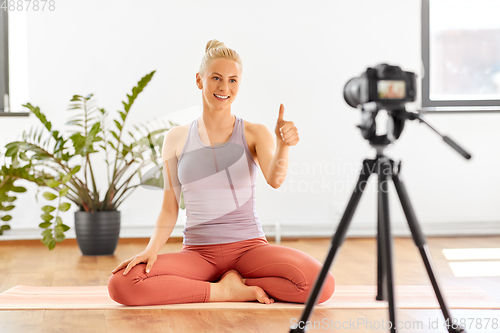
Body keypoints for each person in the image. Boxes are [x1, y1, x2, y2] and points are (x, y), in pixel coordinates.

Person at [107, 39, 336, 306]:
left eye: (233, 80)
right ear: (199, 80)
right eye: (216, 78)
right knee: (122, 284)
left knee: (323, 285)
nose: (224, 87)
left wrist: (284, 145)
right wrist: (151, 250)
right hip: (198, 254)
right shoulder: (176, 138)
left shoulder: (254, 132)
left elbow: (275, 179)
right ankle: (222, 291)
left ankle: (237, 282)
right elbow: (170, 207)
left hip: (249, 249)